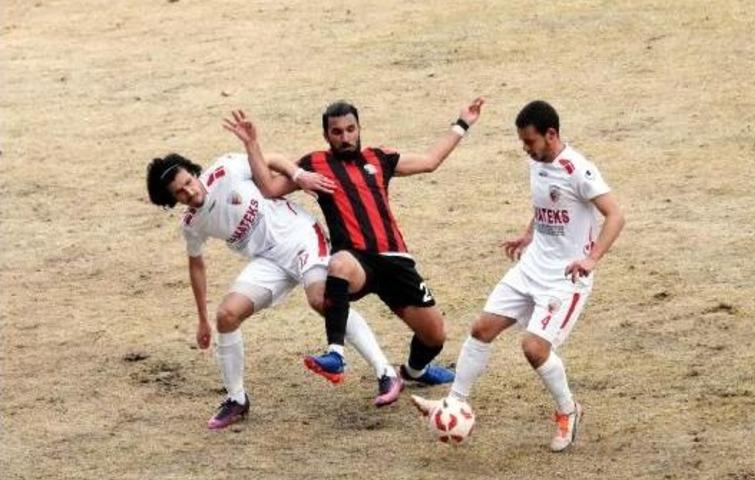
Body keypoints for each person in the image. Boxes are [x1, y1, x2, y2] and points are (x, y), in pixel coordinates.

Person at [411, 100, 625, 452]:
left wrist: (592, 258)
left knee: (534, 347)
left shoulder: (579, 170)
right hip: (531, 267)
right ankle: (455, 402)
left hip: (565, 279)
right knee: (481, 328)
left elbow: (616, 215)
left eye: (531, 142)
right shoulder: (537, 163)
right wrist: (529, 233)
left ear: (551, 134)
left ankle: (569, 411)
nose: (526, 149)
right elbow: (547, 205)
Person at [145, 147, 402, 430]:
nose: (190, 192)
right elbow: (196, 266)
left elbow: (270, 159)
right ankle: (236, 399)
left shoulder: (226, 170)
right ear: (172, 200)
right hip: (268, 261)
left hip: (300, 236)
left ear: (195, 173)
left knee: (320, 300)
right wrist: (203, 320)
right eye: (180, 193)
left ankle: (386, 373)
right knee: (226, 316)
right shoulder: (192, 225)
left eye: (189, 182)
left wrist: (299, 174)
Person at [237, 98, 485, 389]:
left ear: (359, 129)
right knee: (339, 264)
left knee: (435, 336)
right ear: (327, 136)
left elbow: (431, 162)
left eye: (350, 129)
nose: (345, 137)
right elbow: (268, 187)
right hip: (357, 261)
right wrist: (252, 144)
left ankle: (415, 372)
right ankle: (335, 353)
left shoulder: (380, 159)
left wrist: (463, 123)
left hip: (396, 260)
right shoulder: (314, 164)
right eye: (337, 132)